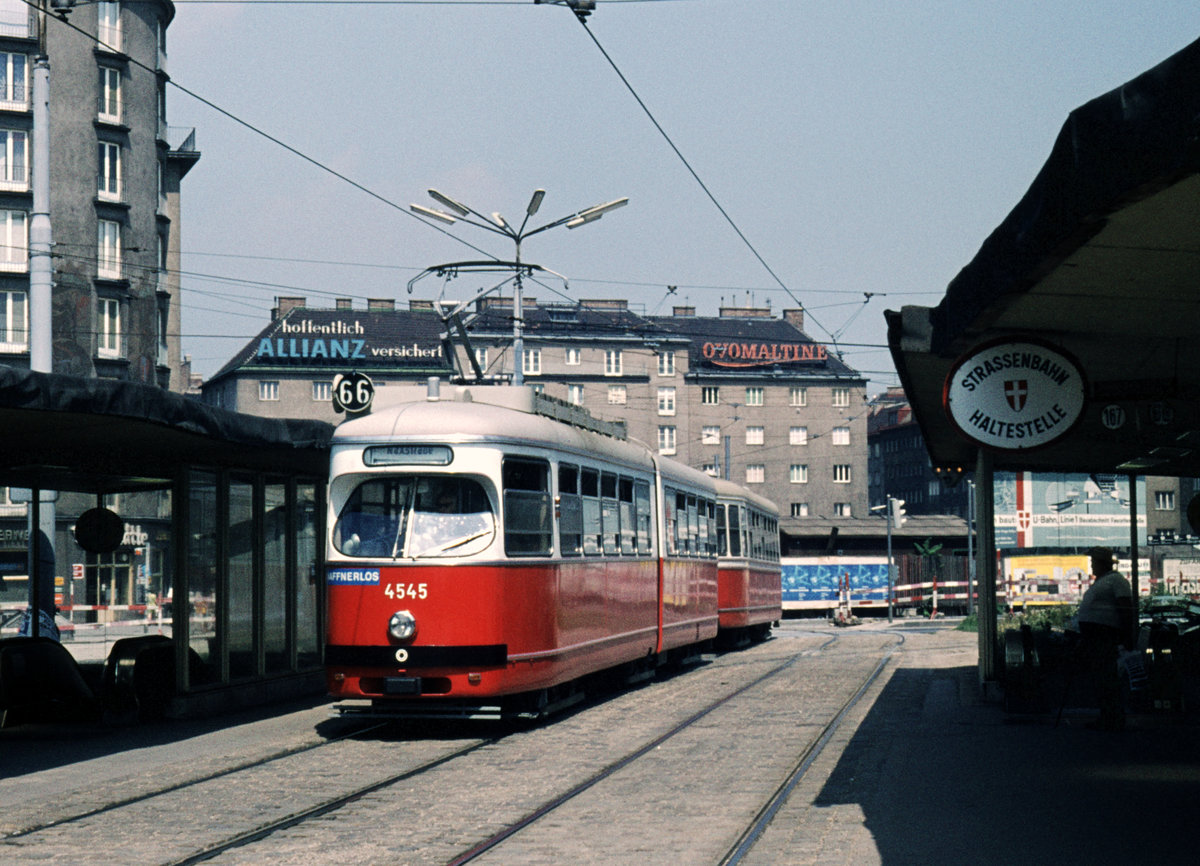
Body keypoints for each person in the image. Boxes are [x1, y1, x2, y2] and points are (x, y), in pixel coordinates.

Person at [1076, 546, 1133, 730]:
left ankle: (1113, 717)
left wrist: (1127, 636)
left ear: (1103, 563)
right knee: (1100, 677)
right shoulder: (1102, 581)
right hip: (1095, 637)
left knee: (1107, 677)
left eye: (1094, 562)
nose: (1092, 566)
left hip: (1106, 636)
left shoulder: (1116, 581)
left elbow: (1125, 608)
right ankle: (1106, 715)